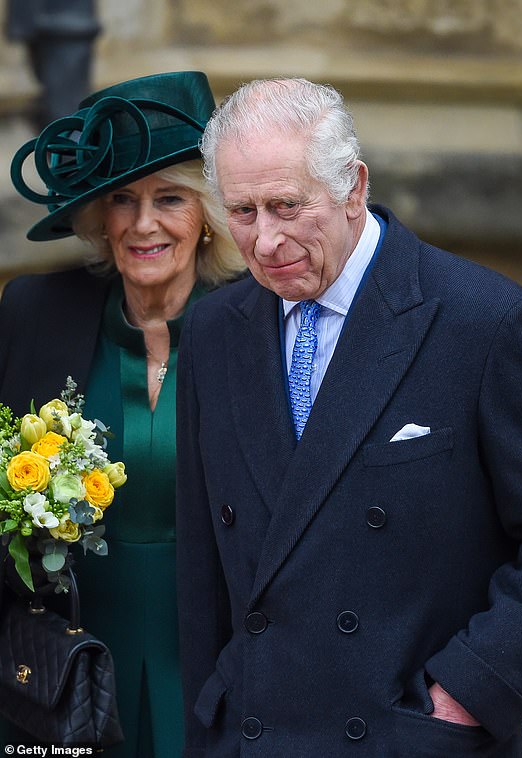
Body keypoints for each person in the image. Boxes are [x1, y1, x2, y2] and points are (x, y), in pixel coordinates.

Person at [175, 77, 522, 757]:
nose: (264, 240)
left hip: (407, 735)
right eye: (242, 212)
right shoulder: (212, 331)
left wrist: (466, 693)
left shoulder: (490, 325)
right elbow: (204, 568)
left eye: (287, 206)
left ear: (353, 187)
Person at [0, 71, 245, 756]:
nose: (144, 224)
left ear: (206, 217)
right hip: (60, 668)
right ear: (98, 219)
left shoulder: (263, 329)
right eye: (122, 200)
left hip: (214, 662)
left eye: (170, 198)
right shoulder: (32, 314)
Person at [4, 0, 101, 130]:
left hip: (62, 26)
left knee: (65, 111)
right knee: (60, 107)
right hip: (54, 24)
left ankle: (67, 146)